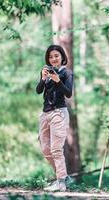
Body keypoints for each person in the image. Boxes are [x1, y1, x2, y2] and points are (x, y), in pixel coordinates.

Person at [36, 44, 73, 191]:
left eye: (56, 56)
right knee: (46, 149)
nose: (53, 59)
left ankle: (61, 182)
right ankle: (64, 177)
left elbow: (68, 93)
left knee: (56, 149)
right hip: (45, 114)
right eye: (50, 57)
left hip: (59, 113)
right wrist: (43, 78)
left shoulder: (66, 73)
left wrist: (58, 81)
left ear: (62, 57)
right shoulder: (46, 72)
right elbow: (39, 91)